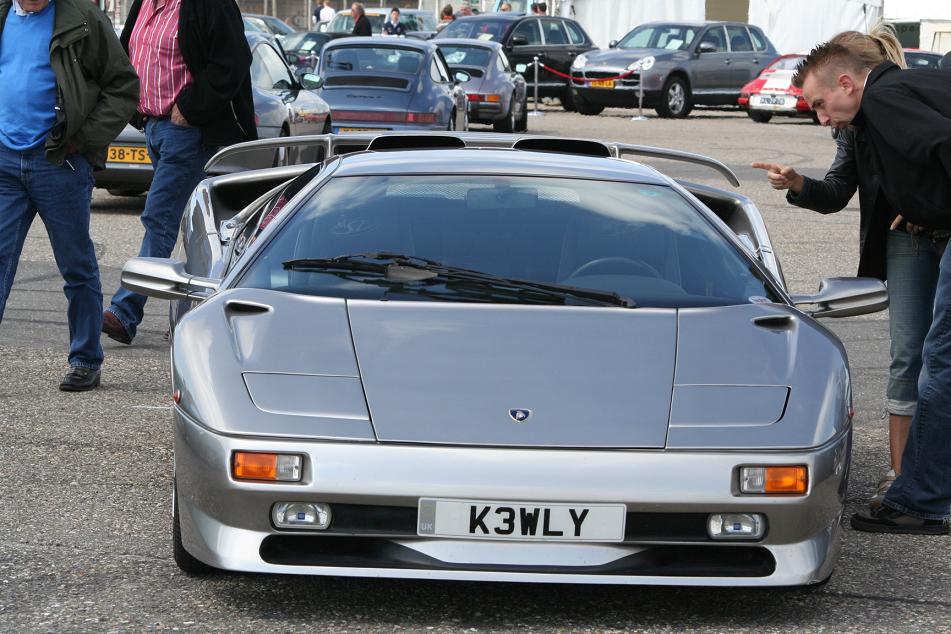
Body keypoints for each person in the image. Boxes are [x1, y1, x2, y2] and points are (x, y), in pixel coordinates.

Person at [752, 25, 948, 511]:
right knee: (914, 358)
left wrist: (926, 199)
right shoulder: (859, 121)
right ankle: (904, 476)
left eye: (818, 104)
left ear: (848, 81)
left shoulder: (890, 100)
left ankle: (920, 489)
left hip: (939, 229)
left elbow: (936, 149)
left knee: (940, 362)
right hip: (909, 240)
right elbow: (838, 192)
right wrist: (799, 184)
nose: (820, 118)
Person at [0, 0, 139, 391]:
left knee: (76, 265)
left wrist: (85, 140)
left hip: (60, 161)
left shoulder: (82, 17)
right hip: (5, 160)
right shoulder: (3, 16)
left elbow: (123, 85)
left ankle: (86, 359)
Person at [103, 0, 256, 345]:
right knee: (196, 226)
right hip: (153, 127)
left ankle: (125, 312)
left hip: (188, 131)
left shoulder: (208, 5)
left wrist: (190, 107)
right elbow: (129, 52)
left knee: (160, 218)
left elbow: (232, 62)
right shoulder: (144, 3)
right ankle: (197, 318)